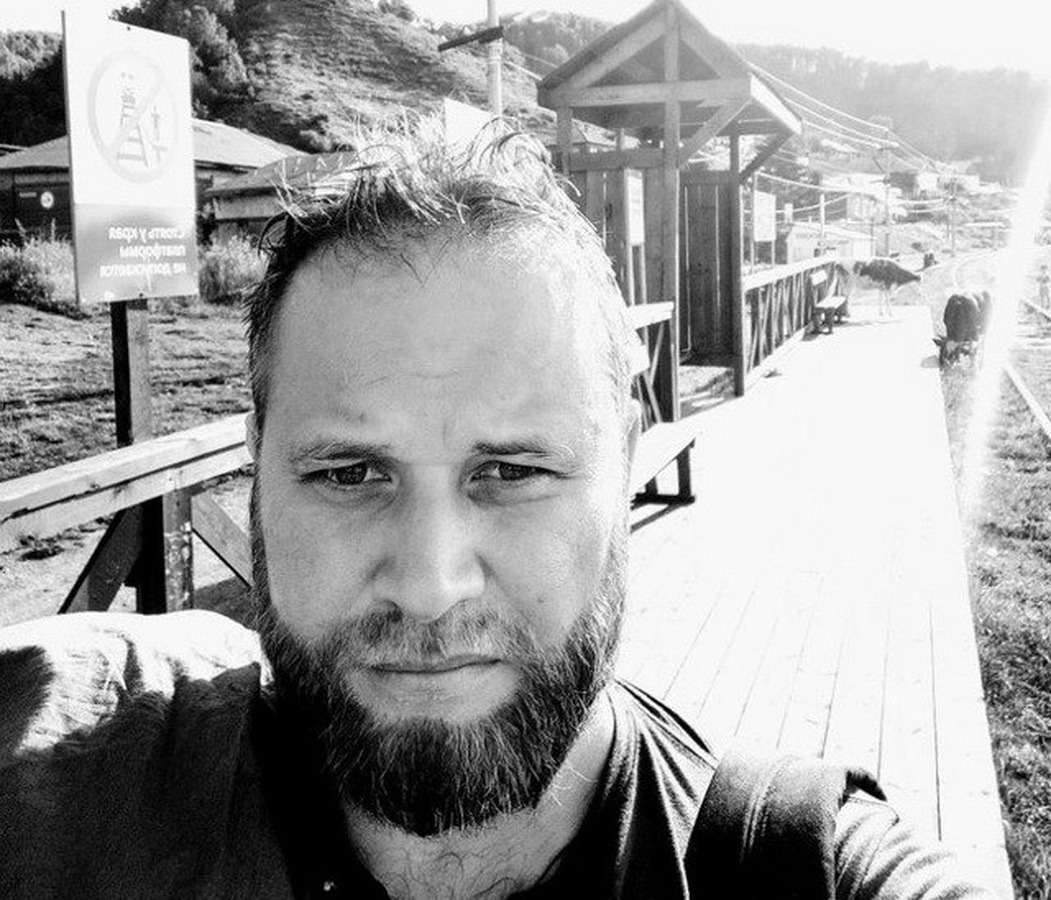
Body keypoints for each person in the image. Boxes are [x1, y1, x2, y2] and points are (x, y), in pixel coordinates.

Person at [0, 131, 996, 898]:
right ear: (255, 462)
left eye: (512, 470)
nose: (431, 584)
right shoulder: (68, 758)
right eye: (348, 472)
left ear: (624, 458)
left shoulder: (802, 868)